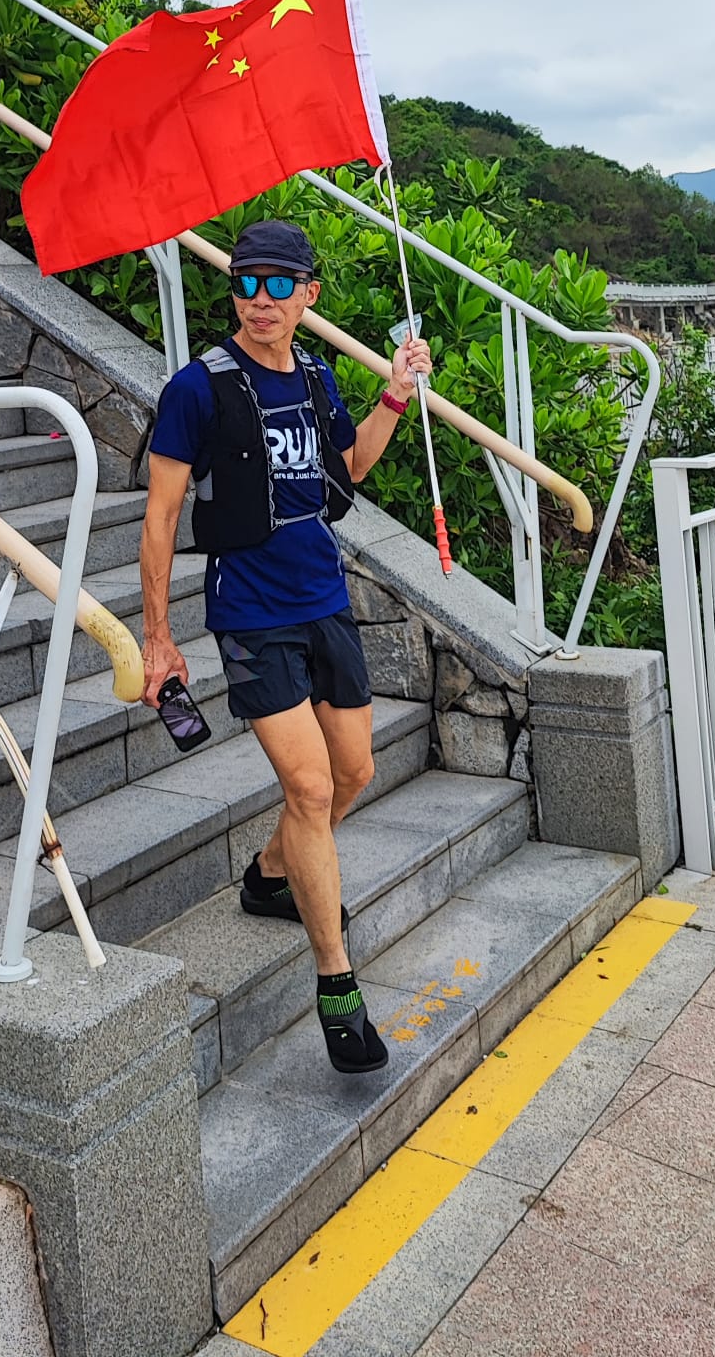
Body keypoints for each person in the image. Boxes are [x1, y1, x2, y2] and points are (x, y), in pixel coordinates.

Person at [140, 217, 432, 1075]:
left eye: (277, 284)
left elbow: (349, 470)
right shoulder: (197, 389)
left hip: (323, 597)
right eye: (245, 282)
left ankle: (271, 875)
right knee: (309, 787)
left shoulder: (314, 375)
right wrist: (158, 638)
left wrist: (394, 394)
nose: (258, 299)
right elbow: (161, 516)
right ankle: (338, 988)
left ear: (308, 294)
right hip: (251, 610)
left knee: (354, 773)